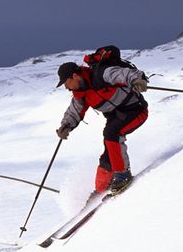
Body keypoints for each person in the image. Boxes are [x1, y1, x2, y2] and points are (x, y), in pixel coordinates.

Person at [55, 59, 149, 195]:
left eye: (66, 82)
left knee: (112, 134)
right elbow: (74, 111)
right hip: (116, 118)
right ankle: (100, 190)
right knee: (108, 155)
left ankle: (123, 175)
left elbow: (125, 74)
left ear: (75, 76)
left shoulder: (100, 74)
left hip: (135, 111)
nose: (66, 87)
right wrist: (66, 125)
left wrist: (138, 80)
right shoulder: (80, 94)